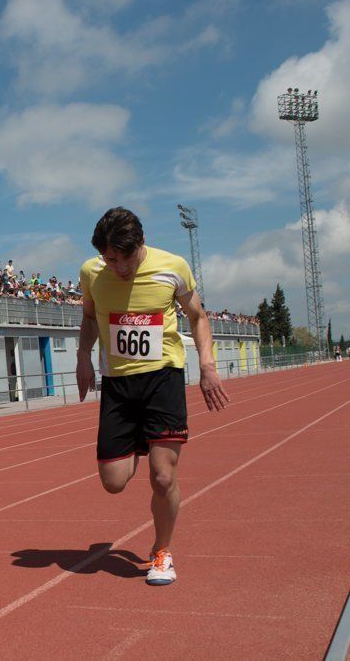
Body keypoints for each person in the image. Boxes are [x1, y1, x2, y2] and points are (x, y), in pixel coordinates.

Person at [75, 206, 230, 587]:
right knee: (113, 481)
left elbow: (198, 317)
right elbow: (92, 317)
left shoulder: (172, 267)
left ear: (140, 245)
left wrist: (207, 365)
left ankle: (162, 552)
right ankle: (144, 442)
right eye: (111, 259)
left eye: (125, 259)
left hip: (163, 378)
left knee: (162, 478)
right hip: (118, 384)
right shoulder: (91, 273)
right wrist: (83, 357)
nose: (119, 268)